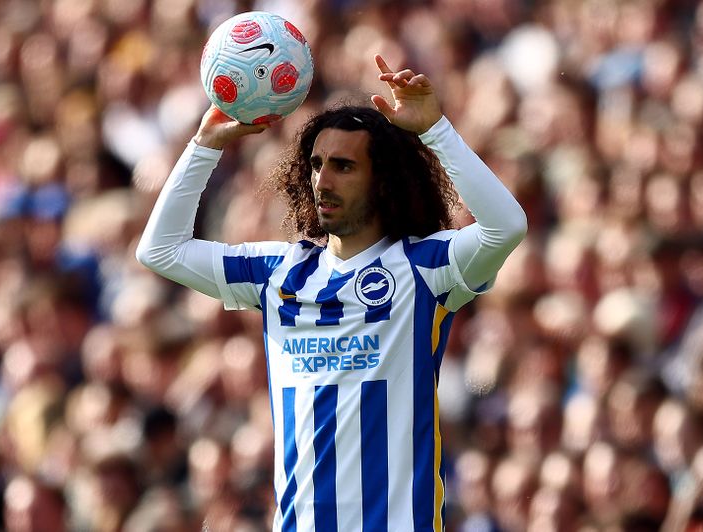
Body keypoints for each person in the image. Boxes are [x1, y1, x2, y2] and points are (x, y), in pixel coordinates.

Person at [136, 54, 527, 531]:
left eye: (343, 166)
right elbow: (160, 250)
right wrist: (204, 145)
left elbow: (506, 226)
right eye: (317, 164)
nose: (323, 180)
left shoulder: (424, 268)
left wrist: (435, 129)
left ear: (382, 181)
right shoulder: (276, 271)